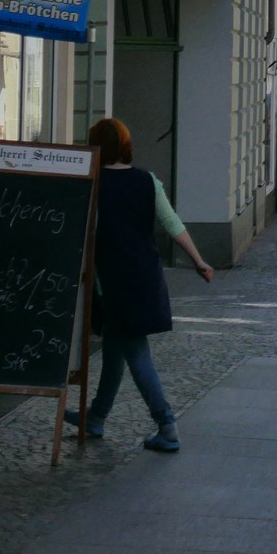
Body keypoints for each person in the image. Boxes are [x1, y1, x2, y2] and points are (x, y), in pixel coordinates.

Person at [70, 118, 214, 452]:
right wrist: (198, 260)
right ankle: (96, 417)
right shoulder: (147, 181)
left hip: (114, 281)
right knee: (114, 347)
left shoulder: (93, 183)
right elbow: (171, 223)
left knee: (135, 352)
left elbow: (83, 231)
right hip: (145, 276)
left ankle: (166, 425)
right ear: (125, 145)